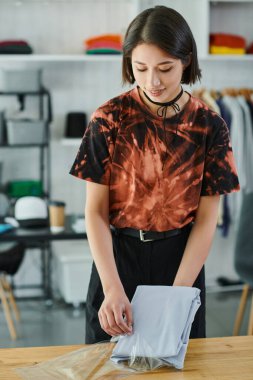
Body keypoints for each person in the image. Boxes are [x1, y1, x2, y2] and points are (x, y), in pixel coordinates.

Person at [70, 6, 240, 344]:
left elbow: (207, 219)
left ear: (186, 61)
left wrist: (176, 297)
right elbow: (95, 211)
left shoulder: (210, 125)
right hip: (118, 259)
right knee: (106, 366)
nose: (153, 81)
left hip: (180, 259)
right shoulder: (109, 118)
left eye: (165, 68)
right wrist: (112, 287)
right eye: (140, 68)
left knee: (182, 365)